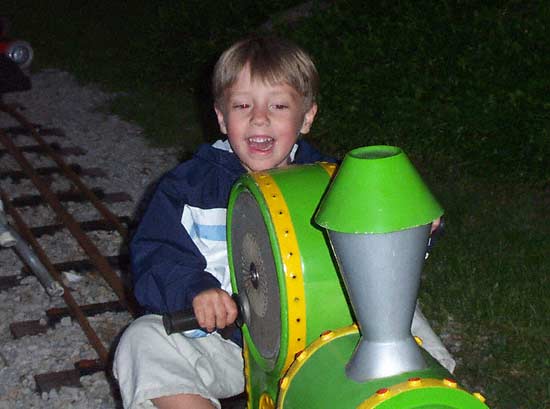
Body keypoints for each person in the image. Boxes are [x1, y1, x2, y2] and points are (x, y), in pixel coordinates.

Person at [113, 36, 333, 409]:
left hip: (320, 345)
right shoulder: (189, 188)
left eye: (278, 105)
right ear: (220, 116)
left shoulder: (330, 183)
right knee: (141, 340)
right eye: (242, 105)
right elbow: (156, 256)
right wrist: (196, 290)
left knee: (404, 325)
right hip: (230, 347)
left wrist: (415, 230)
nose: (259, 117)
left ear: (306, 116)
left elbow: (376, 248)